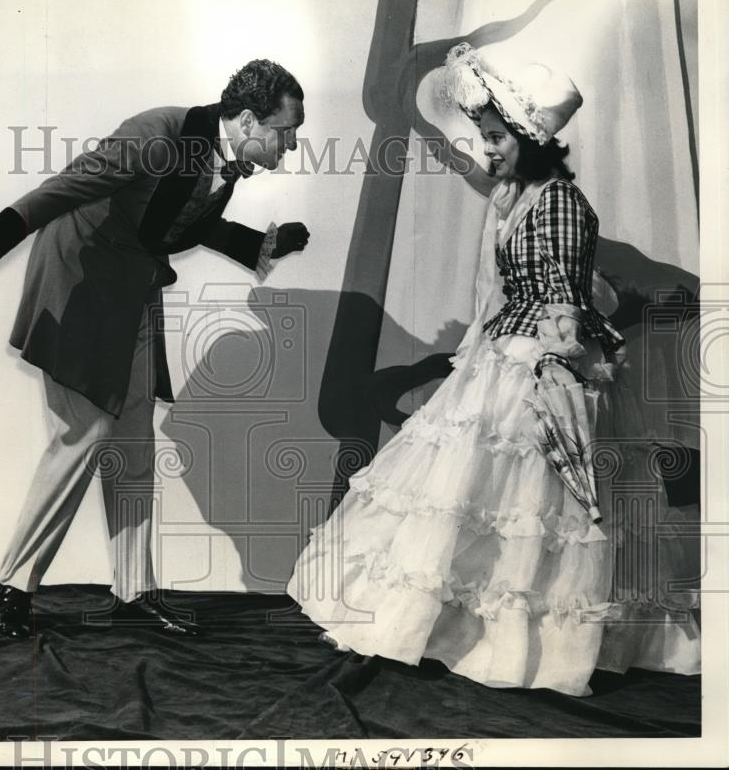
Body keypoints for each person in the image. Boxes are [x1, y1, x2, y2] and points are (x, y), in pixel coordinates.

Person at [287, 43, 700, 696]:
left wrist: (579, 350)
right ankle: (471, 637)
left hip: (534, 367)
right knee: (500, 514)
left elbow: (562, 300)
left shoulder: (549, 200)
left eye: (497, 136)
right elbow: (540, 298)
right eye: (484, 135)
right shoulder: (523, 198)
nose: (488, 147)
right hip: (519, 366)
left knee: (534, 519)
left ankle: (520, 649)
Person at [0, 59, 311, 638]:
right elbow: (71, 185)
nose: (289, 147)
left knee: (135, 437)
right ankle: (14, 584)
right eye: (285, 133)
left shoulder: (223, 156)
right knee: (82, 438)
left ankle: (134, 591)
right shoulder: (155, 134)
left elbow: (180, 220)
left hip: (133, 291)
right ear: (245, 118)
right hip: (80, 288)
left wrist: (263, 245)